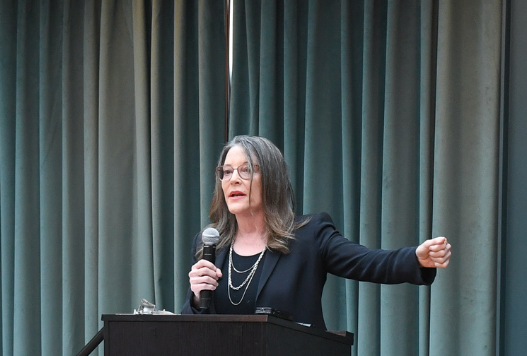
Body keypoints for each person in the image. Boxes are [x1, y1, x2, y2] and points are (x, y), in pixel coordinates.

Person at [185, 135, 451, 330]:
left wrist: (415, 258)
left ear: (272, 180)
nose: (233, 179)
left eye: (246, 170)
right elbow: (191, 331)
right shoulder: (211, 245)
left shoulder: (308, 236)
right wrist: (197, 298)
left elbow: (367, 262)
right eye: (227, 172)